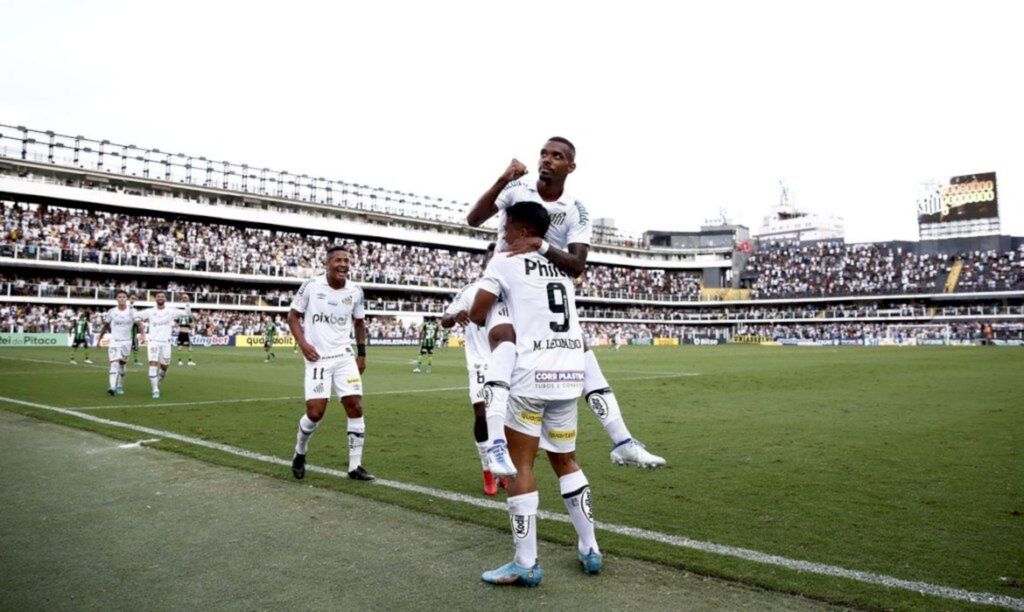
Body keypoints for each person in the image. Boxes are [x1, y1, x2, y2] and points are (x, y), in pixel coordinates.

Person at [466, 137, 666, 470]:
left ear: (570, 167)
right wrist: (503, 178)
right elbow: (474, 219)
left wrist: (540, 245)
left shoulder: (576, 210)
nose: (546, 160)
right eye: (543, 154)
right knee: (505, 340)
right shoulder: (517, 190)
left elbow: (577, 266)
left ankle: (624, 441)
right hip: (506, 283)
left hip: (544, 290)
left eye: (556, 156)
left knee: (583, 353)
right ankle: (496, 446)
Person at [470, 202, 602, 586]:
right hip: (566, 376)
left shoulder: (504, 262)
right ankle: (590, 548)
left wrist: (495, 300)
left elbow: (478, 313)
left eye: (506, 226)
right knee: (566, 462)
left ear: (520, 227)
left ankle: (526, 562)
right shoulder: (562, 266)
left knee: (521, 466)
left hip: (529, 377)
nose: (503, 234)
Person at [288, 245, 374, 482]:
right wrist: (303, 344)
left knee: (355, 405)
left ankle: (355, 466)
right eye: (338, 260)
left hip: (344, 357)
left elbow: (359, 323)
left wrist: (362, 354)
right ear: (327, 264)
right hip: (317, 358)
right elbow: (292, 317)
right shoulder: (311, 286)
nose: (343, 264)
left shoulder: (356, 291)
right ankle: (300, 452)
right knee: (315, 413)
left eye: (347, 260)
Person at [441, 243, 509, 496]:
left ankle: (504, 465)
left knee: (508, 419)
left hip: (510, 362)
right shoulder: (471, 291)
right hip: (481, 363)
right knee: (482, 415)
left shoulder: (517, 291)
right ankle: (488, 470)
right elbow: (444, 321)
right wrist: (456, 314)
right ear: (486, 263)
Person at [135, 291, 191, 399]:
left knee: (164, 367)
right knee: (152, 364)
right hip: (153, 342)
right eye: (158, 296)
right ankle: (155, 389)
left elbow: (187, 315)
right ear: (155, 298)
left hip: (166, 343)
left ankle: (158, 380)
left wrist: (187, 303)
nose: (160, 298)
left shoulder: (171, 311)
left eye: (162, 296)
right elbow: (135, 315)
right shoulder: (150, 311)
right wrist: (140, 328)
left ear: (165, 298)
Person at [96, 290, 144, 396]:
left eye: (123, 297)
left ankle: (120, 385)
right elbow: (105, 326)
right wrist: (99, 340)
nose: (121, 299)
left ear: (126, 299)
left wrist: (142, 335)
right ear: (116, 299)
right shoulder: (112, 311)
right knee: (114, 363)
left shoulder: (132, 311)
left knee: (122, 364)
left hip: (127, 342)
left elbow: (139, 324)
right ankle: (112, 387)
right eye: (119, 297)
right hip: (114, 341)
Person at [175, 294, 196, 367]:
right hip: (186, 333)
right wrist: (192, 325)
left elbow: (175, 325)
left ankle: (179, 361)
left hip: (180, 333)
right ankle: (189, 361)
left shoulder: (180, 317)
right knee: (190, 347)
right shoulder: (188, 318)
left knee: (179, 346)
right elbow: (192, 326)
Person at [128, 294, 144, 366]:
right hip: (130, 334)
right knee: (134, 347)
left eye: (134, 299)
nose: (133, 300)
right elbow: (138, 322)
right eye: (132, 298)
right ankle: (135, 361)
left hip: (131, 333)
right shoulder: (129, 309)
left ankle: (135, 360)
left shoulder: (134, 310)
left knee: (133, 347)